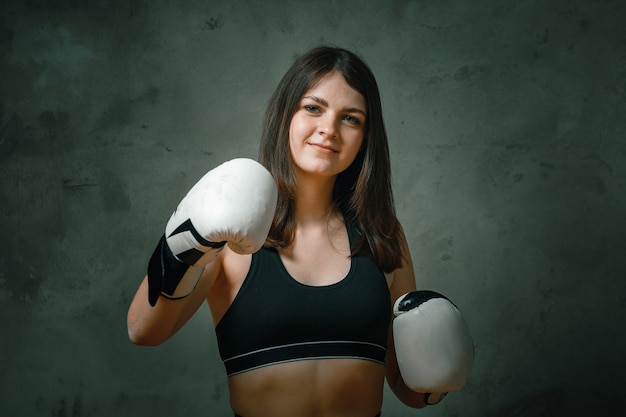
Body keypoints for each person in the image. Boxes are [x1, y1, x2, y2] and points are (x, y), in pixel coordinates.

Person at [127, 46, 470, 417]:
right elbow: (144, 332)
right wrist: (185, 242)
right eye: (313, 108)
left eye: (351, 118)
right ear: (285, 115)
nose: (329, 129)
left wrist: (437, 379)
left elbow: (409, 389)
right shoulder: (230, 233)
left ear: (366, 136)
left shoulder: (382, 233)